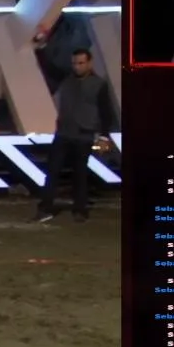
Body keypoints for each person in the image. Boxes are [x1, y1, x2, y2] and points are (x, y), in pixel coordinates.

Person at [32, 48, 114, 224]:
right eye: (74, 63)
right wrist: (40, 50)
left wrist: (104, 137)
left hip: (84, 135)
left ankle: (80, 210)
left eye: (81, 63)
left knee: (80, 174)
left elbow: (106, 112)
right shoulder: (66, 79)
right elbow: (50, 69)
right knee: (52, 171)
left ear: (89, 63)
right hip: (63, 133)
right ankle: (45, 208)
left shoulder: (99, 84)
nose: (77, 67)